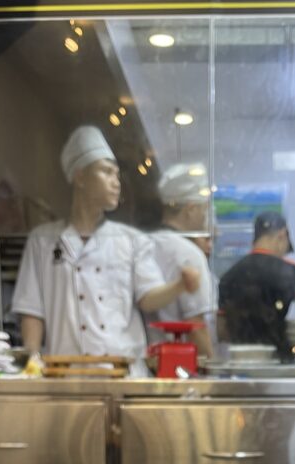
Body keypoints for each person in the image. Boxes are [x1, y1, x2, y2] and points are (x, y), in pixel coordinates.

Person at [12, 126, 200, 376]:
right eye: (106, 172)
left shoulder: (131, 240)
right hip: (68, 377)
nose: (116, 182)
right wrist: (32, 363)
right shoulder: (43, 241)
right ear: (80, 177)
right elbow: (32, 310)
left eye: (117, 174)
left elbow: (148, 297)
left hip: (124, 375)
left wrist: (179, 286)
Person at [217, 212, 295, 361]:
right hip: (279, 360)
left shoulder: (229, 275)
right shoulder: (290, 270)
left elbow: (221, 330)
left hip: (241, 363)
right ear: (282, 235)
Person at [149, 163, 215, 357]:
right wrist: (213, 373)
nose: (205, 216)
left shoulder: (143, 244)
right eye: (204, 209)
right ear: (191, 209)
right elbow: (195, 325)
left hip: (145, 362)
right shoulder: (190, 254)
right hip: (179, 365)